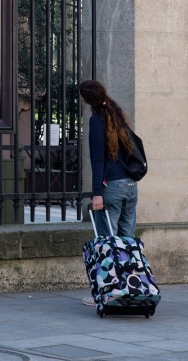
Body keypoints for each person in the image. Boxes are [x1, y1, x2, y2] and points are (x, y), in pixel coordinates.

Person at [79, 80, 138, 306]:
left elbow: (97, 159)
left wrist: (97, 193)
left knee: (107, 242)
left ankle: (107, 292)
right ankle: (130, 287)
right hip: (131, 186)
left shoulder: (96, 121)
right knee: (127, 242)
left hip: (111, 187)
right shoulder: (117, 115)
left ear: (86, 100)